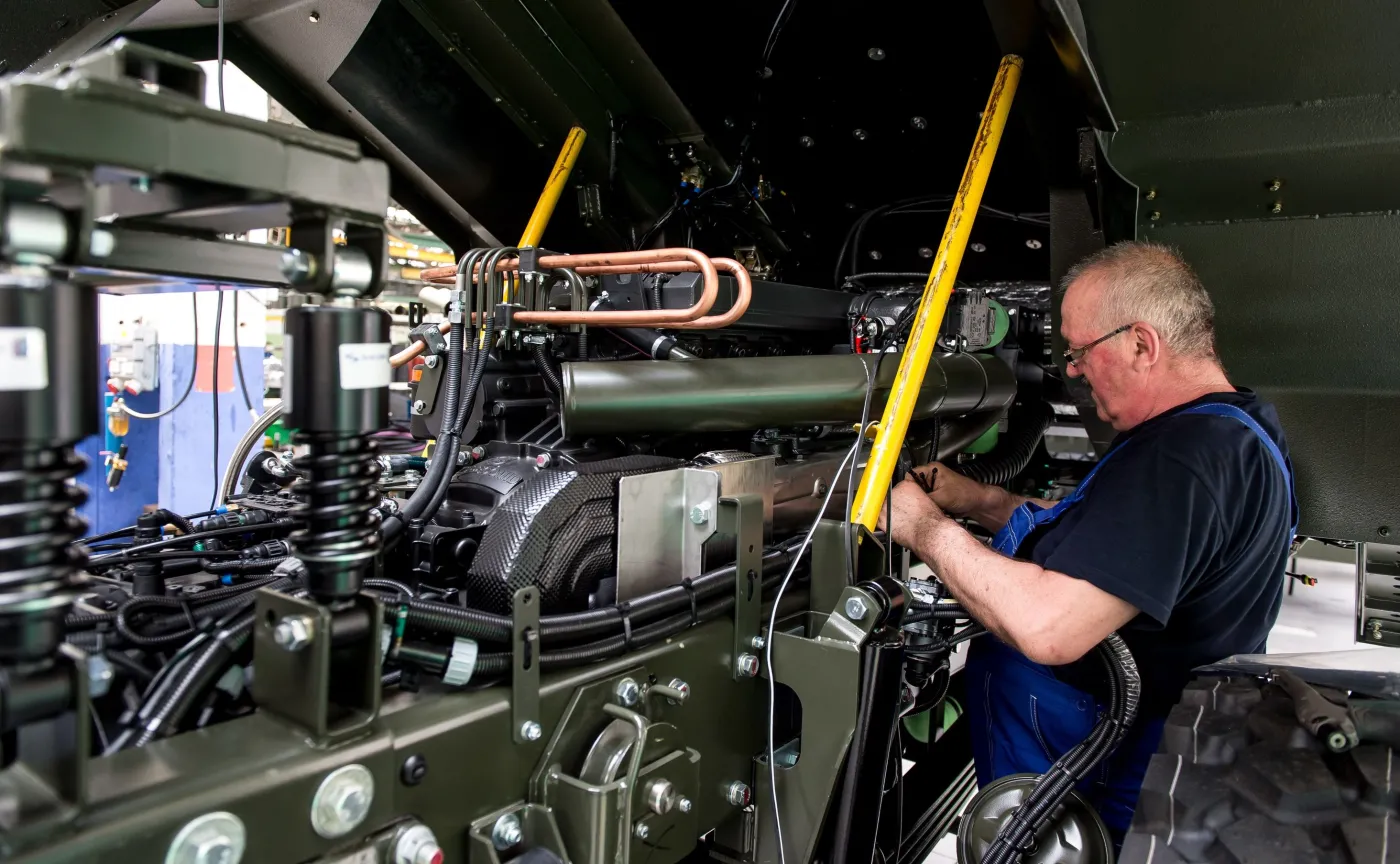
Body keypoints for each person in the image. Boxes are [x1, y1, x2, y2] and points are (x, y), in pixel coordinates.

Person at [880, 241, 1297, 837]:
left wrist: (922, 527)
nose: (1072, 370)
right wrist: (979, 500)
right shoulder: (1237, 428)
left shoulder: (1180, 459)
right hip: (1167, 743)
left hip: (1103, 761)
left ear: (1141, 344)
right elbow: (1109, 531)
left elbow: (1051, 629)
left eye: (1079, 351)